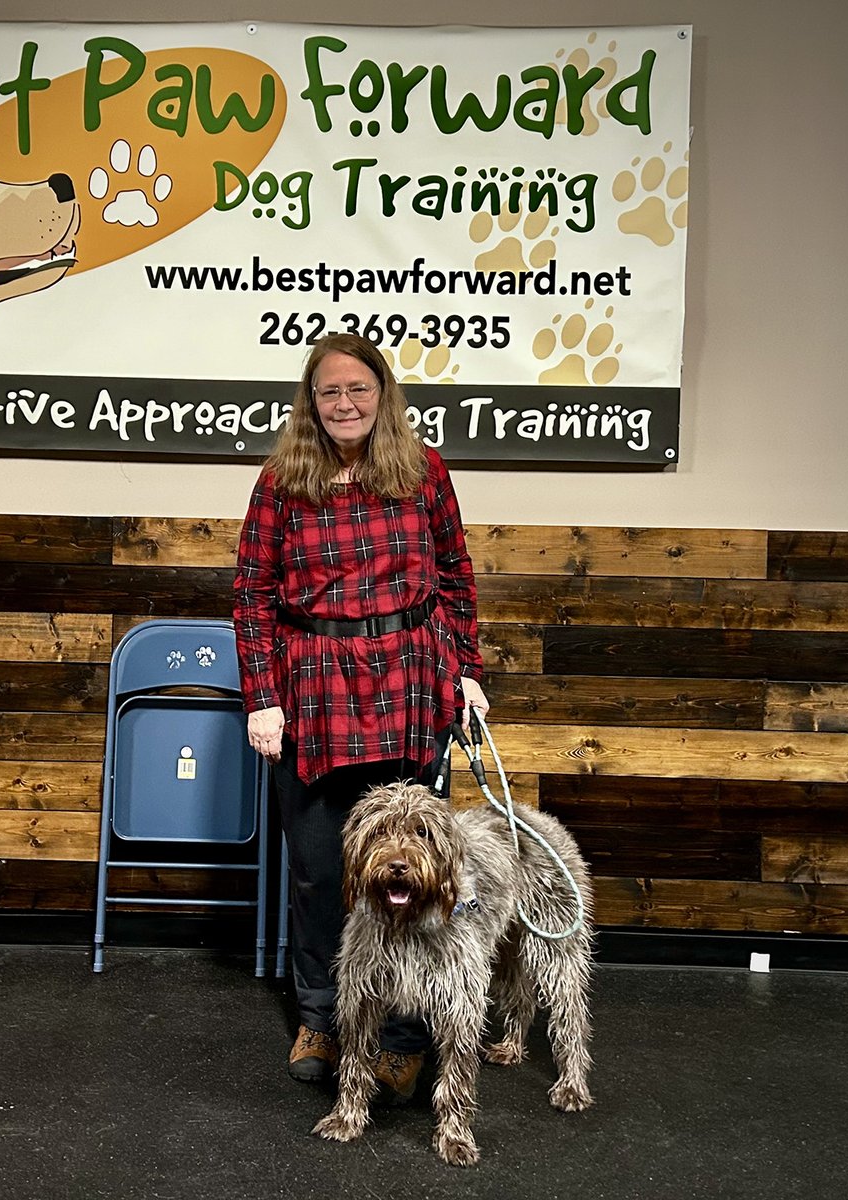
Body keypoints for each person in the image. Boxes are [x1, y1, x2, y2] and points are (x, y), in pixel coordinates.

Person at [232, 333, 489, 1102]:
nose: (344, 403)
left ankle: (403, 1034)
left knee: (412, 876)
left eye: (358, 389)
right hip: (311, 689)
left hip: (408, 686)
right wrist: (262, 698)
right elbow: (251, 596)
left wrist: (467, 671)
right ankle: (322, 1017)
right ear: (311, 402)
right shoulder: (283, 479)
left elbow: (454, 577)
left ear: (383, 394)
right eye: (329, 392)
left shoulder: (423, 470)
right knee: (319, 874)